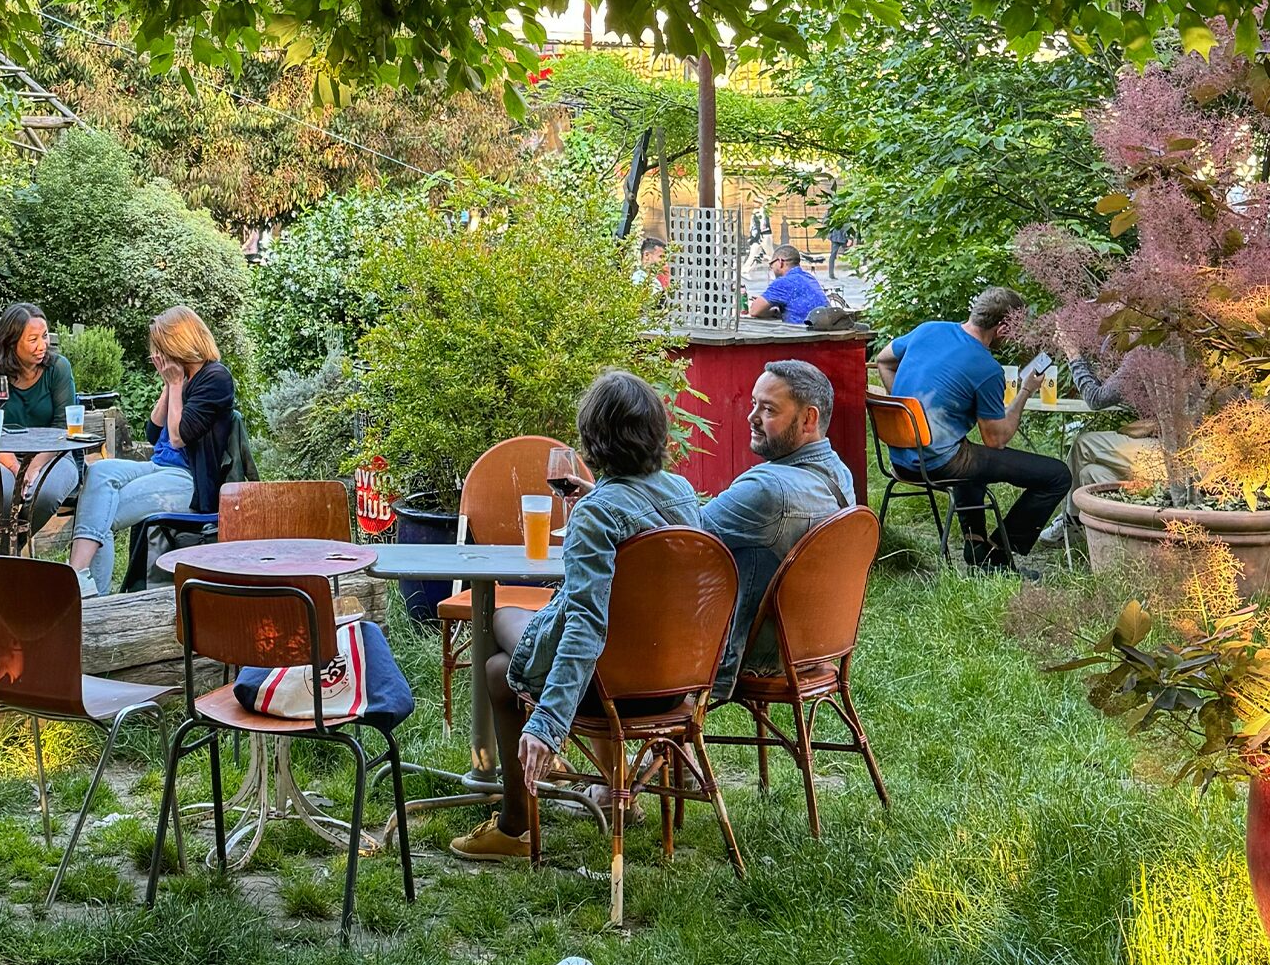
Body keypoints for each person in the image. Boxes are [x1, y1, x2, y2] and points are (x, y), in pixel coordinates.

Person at [448, 370, 702, 862]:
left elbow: (586, 624)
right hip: (675, 683)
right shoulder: (682, 493)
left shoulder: (597, 514)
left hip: (613, 690)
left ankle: (516, 824)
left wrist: (548, 723)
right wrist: (599, 498)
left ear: (593, 439)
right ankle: (606, 789)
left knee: (498, 648)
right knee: (501, 654)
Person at [875, 287, 1070, 573]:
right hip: (935, 463)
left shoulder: (929, 330)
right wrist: (1026, 390)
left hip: (900, 457)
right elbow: (996, 439)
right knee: (1057, 475)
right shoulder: (986, 368)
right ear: (1002, 328)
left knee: (970, 455)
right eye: (1015, 330)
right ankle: (998, 556)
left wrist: (908, 414)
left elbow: (883, 360)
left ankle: (976, 545)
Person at [701, 362, 854, 695]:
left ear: (808, 419)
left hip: (758, 652)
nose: (752, 417)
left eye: (768, 409)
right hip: (815, 646)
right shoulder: (839, 473)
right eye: (754, 403)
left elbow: (682, 540)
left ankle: (641, 724)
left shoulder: (767, 489)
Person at [66, 306, 235, 597]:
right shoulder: (183, 377)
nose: (158, 355)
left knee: (101, 513)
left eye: (162, 347)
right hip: (160, 467)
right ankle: (81, 580)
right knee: (100, 470)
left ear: (179, 343)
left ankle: (88, 594)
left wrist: (175, 383)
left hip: (188, 481)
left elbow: (178, 438)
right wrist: (169, 386)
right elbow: (154, 433)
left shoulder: (215, 378)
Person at [1037, 327, 1163, 545]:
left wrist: (1073, 354)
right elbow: (1109, 387)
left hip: (1177, 454)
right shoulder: (1153, 344)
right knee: (1090, 473)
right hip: (1159, 448)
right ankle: (1105, 539)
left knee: (1084, 444)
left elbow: (1096, 398)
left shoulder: (1144, 350)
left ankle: (1070, 520)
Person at [0, 301, 83, 529]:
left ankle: (7, 549)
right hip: (4, 455)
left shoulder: (58, 368)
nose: (42, 345)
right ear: (11, 342)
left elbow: (62, 428)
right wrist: (17, 469)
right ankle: (6, 550)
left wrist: (33, 467)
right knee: (2, 495)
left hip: (54, 454)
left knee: (44, 495)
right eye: (33, 339)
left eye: (44, 336)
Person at [748, 245, 831, 324]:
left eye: (771, 264)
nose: (771, 268)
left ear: (780, 261)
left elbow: (754, 311)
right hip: (824, 329)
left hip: (803, 331)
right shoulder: (809, 277)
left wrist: (773, 311)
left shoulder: (783, 282)